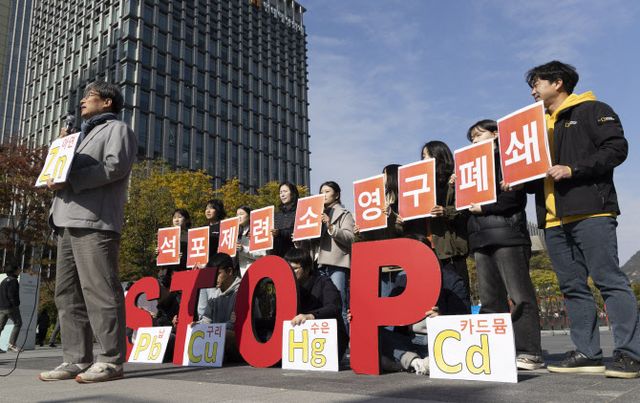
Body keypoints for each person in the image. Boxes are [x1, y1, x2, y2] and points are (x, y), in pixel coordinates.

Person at [518, 61, 639, 378]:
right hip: (552, 220)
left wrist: (574, 169)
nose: (532, 91)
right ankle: (587, 353)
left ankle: (630, 354)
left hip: (591, 210)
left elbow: (617, 149)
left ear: (557, 82)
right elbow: (534, 174)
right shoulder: (535, 126)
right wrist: (515, 179)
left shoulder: (592, 109)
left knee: (609, 280)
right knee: (572, 287)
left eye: (536, 83)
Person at [40, 81, 137, 382]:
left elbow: (115, 167)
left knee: (99, 288)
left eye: (89, 97)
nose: (82, 101)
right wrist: (60, 151)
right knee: (66, 293)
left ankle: (110, 360)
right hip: (66, 220)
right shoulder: (77, 136)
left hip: (94, 220)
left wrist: (71, 179)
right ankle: (75, 359)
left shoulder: (117, 130)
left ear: (107, 102)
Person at [465, 119, 544, 370]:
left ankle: (528, 352)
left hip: (507, 234)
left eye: (479, 135)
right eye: (472, 138)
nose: (474, 140)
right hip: (481, 238)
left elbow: (513, 198)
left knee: (519, 295)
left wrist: (485, 207)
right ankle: (493, 351)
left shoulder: (510, 159)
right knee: (490, 300)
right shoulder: (469, 167)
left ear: (496, 134)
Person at [421, 141, 470, 314]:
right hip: (428, 246)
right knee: (435, 297)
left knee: (457, 293)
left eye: (427, 155)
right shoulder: (422, 184)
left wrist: (445, 211)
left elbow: (465, 209)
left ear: (439, 156)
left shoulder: (455, 179)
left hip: (450, 249)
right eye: (422, 156)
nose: (423, 159)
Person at [298, 181, 355, 332]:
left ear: (337, 195)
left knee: (339, 304)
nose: (323, 195)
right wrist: (299, 238)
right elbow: (312, 243)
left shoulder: (344, 214)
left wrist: (331, 227)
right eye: (321, 192)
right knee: (320, 304)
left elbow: (351, 238)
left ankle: (345, 340)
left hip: (336, 264)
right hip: (317, 265)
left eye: (327, 191)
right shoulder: (314, 213)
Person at [284, 248, 349, 361]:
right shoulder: (286, 287)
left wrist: (311, 316)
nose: (290, 272)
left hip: (326, 340)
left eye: (294, 268)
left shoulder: (324, 282)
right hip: (298, 340)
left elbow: (334, 307)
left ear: (307, 268)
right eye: (287, 269)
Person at [192, 253, 242, 362]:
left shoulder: (241, 292)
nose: (214, 278)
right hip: (217, 338)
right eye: (212, 274)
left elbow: (234, 325)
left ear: (229, 271)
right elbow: (206, 320)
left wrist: (211, 330)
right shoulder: (214, 296)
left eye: (218, 274)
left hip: (239, 341)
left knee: (225, 335)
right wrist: (196, 325)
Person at [158, 208, 191, 289]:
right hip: (165, 274)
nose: (176, 220)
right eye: (174, 217)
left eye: (179, 217)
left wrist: (183, 257)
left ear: (186, 220)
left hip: (182, 272)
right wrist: (158, 253)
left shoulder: (190, 235)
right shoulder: (166, 235)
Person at [236, 205, 266, 277]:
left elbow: (262, 255)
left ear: (250, 215)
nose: (238, 217)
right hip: (236, 273)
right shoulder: (234, 232)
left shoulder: (257, 230)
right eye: (237, 215)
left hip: (252, 271)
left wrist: (243, 249)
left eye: (241, 214)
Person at [271, 181, 299, 258]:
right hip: (277, 255)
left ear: (293, 193)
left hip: (293, 255)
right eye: (280, 192)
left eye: (285, 191)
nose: (282, 195)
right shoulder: (277, 214)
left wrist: (279, 233)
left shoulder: (300, 211)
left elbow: (297, 231)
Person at [0, 266, 22, 353]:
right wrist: (15, 304)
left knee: (0, 326)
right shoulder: (13, 280)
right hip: (10, 307)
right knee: (18, 323)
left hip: (1, 307)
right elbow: (11, 294)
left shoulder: (4, 281)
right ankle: (12, 344)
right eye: (19, 269)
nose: (20, 271)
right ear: (15, 271)